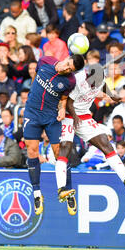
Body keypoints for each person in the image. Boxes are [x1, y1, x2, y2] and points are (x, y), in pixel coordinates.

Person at [56, 63, 125, 214]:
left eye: (98, 82)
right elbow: (69, 102)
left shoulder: (99, 79)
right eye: (93, 82)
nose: (95, 85)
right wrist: (75, 117)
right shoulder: (79, 80)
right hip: (70, 116)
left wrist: (112, 96)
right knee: (65, 149)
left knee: (106, 144)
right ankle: (61, 189)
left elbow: (104, 87)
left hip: (84, 116)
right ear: (87, 76)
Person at [22, 54, 85, 215]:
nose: (66, 68)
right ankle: (37, 194)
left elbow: (64, 97)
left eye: (70, 69)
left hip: (51, 116)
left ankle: (68, 191)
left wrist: (63, 107)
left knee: (60, 153)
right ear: (66, 58)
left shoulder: (70, 81)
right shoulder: (45, 60)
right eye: (67, 64)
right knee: (32, 151)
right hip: (32, 113)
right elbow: (37, 76)